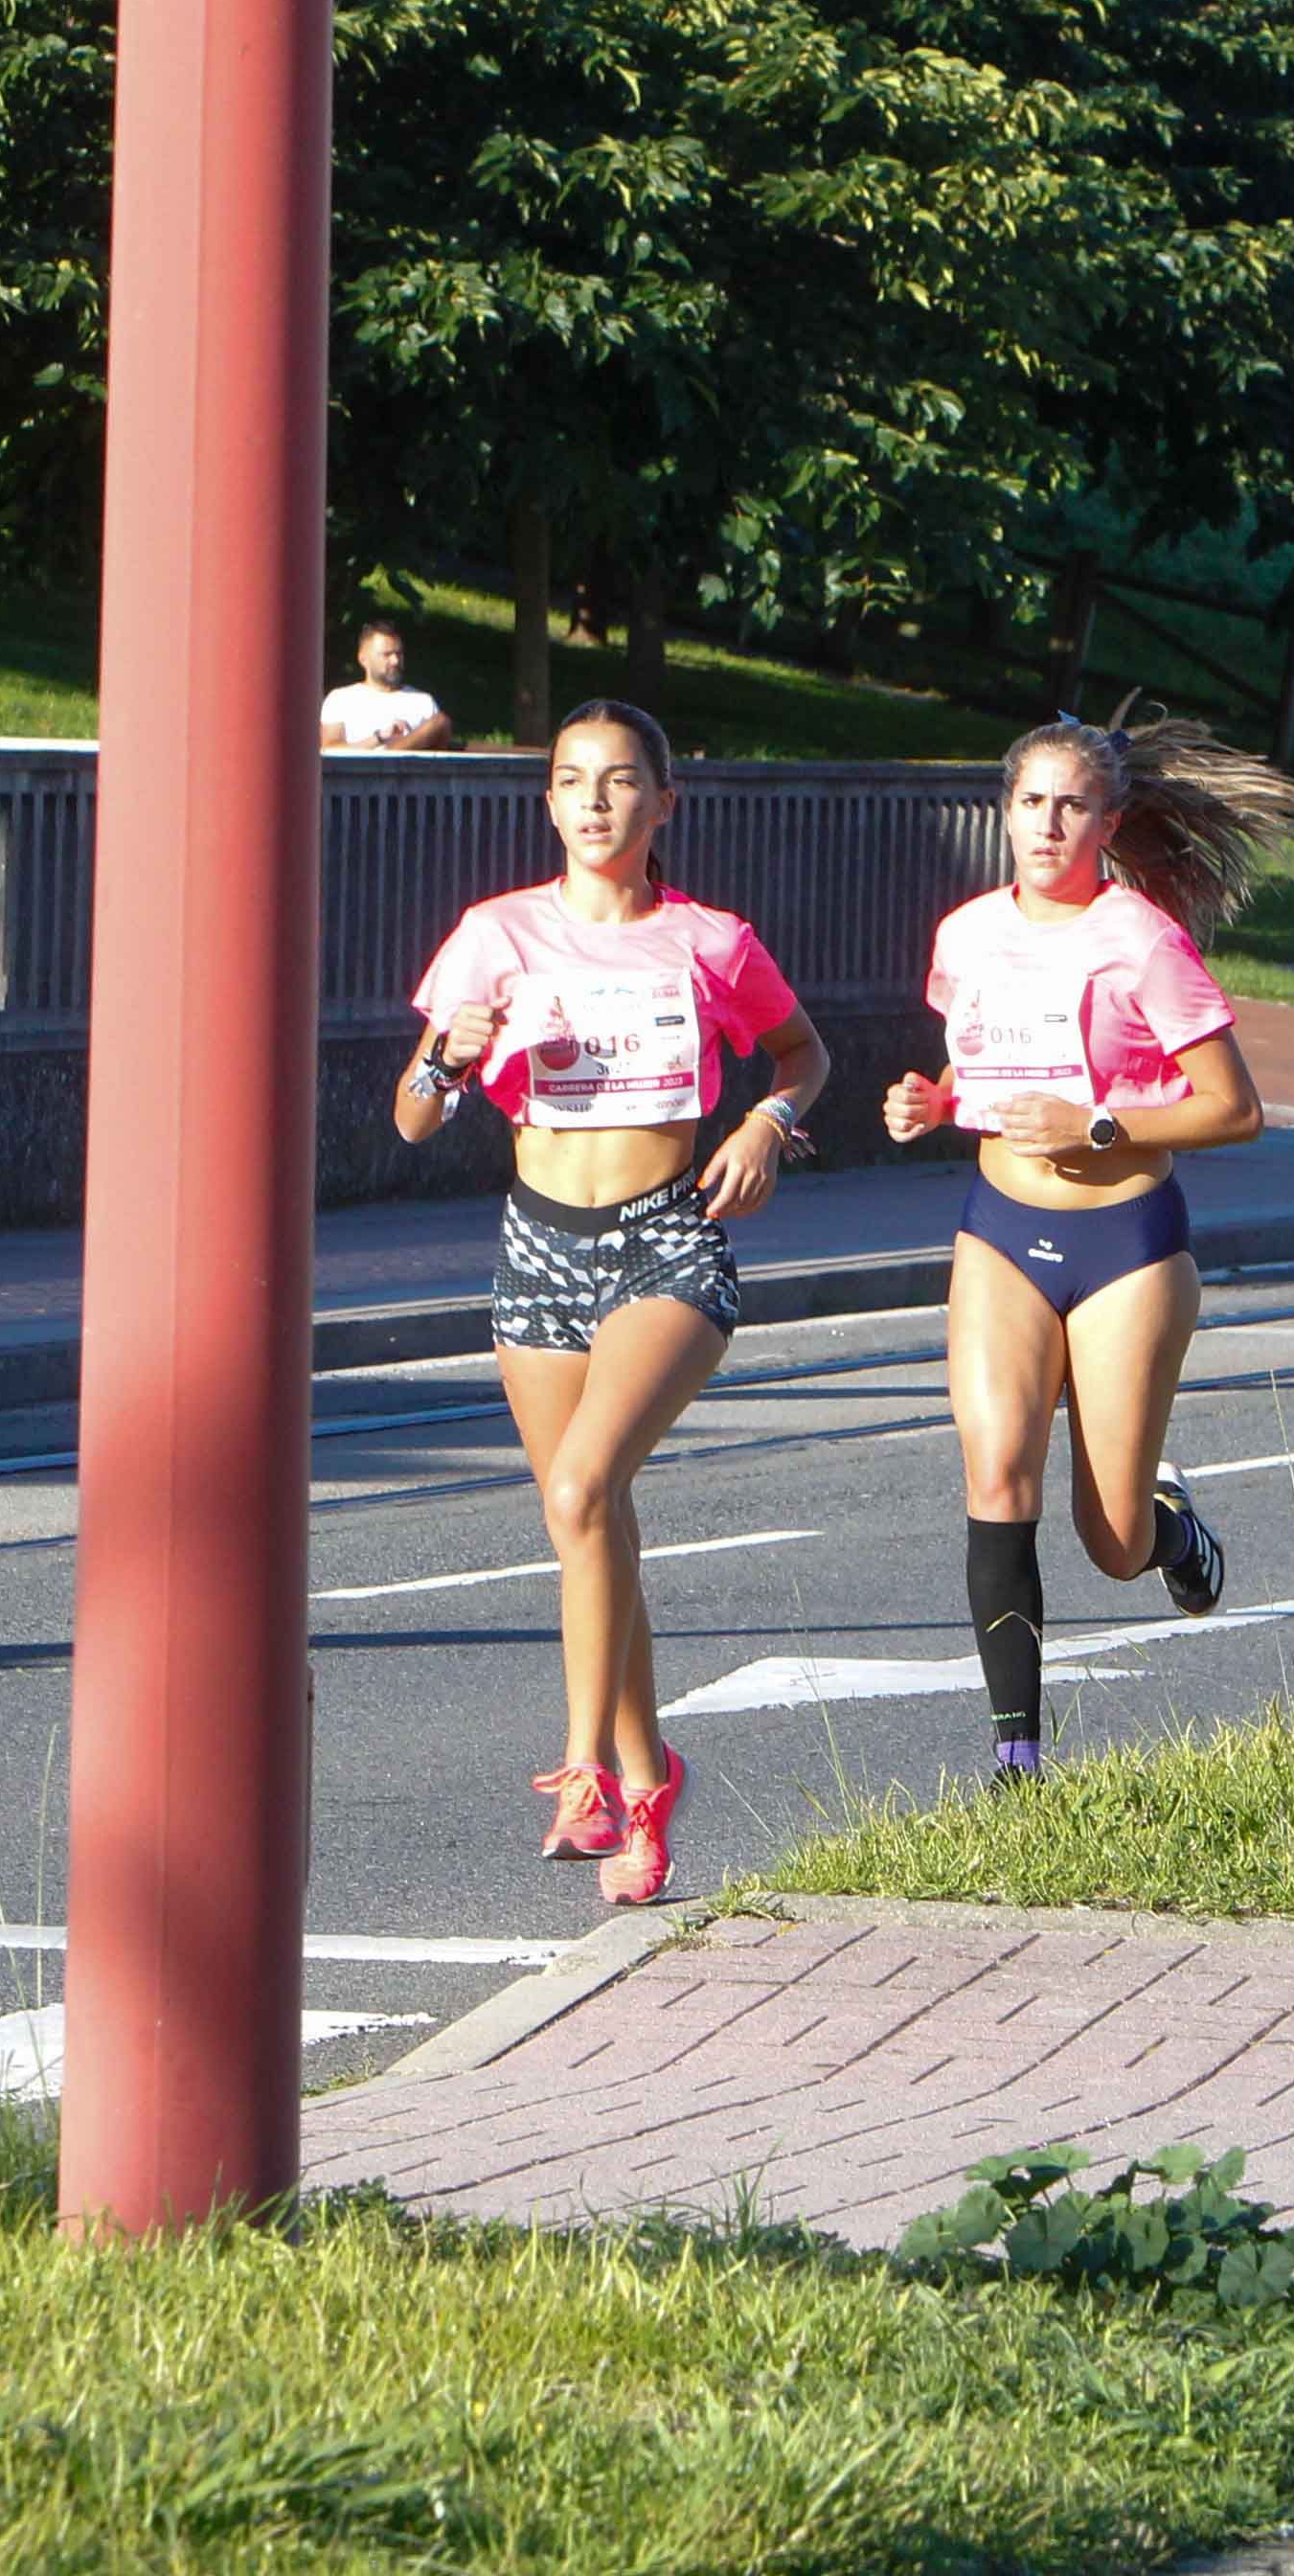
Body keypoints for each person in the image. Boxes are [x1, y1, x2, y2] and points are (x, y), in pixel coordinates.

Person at [401, 699, 829, 1904]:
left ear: (662, 804)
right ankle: (651, 1785)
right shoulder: (495, 936)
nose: (594, 800)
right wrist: (447, 1052)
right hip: (538, 1245)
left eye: (621, 780)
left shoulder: (709, 941)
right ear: (548, 801)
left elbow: (806, 1057)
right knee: (591, 1521)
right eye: (572, 780)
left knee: (583, 1490)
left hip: (665, 1241)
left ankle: (585, 1764)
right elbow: (414, 1113)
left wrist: (765, 1123)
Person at [881, 716, 1294, 1782]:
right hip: (998, 1233)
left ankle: (1171, 1528)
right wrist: (936, 1103)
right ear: (1007, 813)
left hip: (1125, 1239)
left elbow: (1235, 1110)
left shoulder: (1142, 940)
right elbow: (978, 1069)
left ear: (1108, 824)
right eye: (1031, 802)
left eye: (1072, 806)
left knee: (1110, 1542)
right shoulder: (967, 935)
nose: (1048, 824)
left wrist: (1099, 1124)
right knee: (997, 1473)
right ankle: (1017, 1758)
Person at [323, 620, 455, 751]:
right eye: (386, 655)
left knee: (441, 722)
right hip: (357, 770)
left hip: (408, 770)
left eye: (399, 653)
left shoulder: (423, 702)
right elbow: (329, 750)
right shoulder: (341, 699)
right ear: (363, 659)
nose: (395, 661)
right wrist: (379, 738)